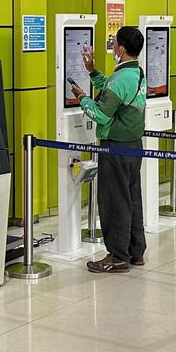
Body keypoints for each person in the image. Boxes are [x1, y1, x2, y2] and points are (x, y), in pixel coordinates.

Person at [70, 26, 147, 274]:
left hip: (116, 147)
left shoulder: (122, 77)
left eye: (114, 44)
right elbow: (111, 88)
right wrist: (92, 71)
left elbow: (101, 113)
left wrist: (82, 99)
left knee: (115, 201)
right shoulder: (134, 72)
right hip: (133, 146)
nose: (113, 48)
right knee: (132, 198)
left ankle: (117, 256)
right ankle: (136, 251)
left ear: (122, 48)